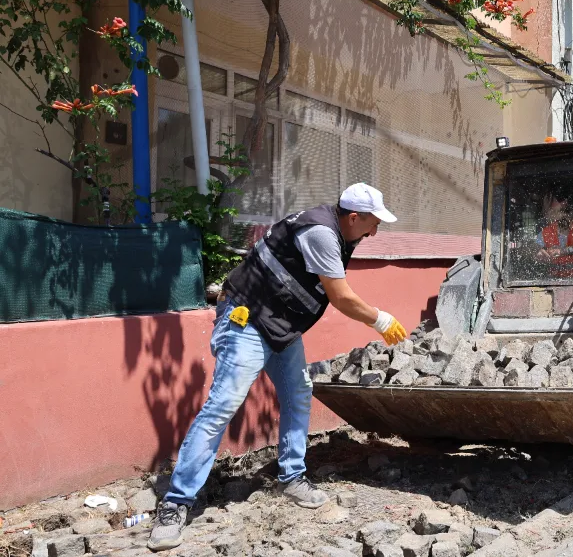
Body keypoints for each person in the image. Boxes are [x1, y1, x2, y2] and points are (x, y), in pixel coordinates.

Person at [148, 183, 408, 552]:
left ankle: (292, 477)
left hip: (281, 328)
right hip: (247, 321)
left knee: (299, 394)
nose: (374, 232)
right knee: (223, 405)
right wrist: (380, 320)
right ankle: (176, 503)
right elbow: (341, 297)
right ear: (353, 217)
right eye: (372, 223)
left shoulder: (338, 232)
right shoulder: (321, 232)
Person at [534, 192, 573, 278]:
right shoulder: (548, 231)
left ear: (564, 202)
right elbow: (530, 248)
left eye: (550, 202)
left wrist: (563, 251)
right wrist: (537, 251)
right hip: (554, 281)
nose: (545, 208)